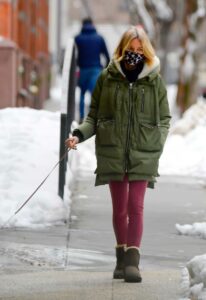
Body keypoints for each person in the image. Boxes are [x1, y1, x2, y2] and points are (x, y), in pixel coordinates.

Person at [66, 25, 171, 283]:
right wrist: (78, 134)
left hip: (143, 153)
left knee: (136, 206)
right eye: (130, 50)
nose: (134, 54)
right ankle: (121, 257)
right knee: (119, 210)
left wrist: (157, 141)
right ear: (122, 50)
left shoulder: (154, 80)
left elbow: (165, 118)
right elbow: (93, 116)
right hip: (113, 152)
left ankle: (133, 262)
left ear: (145, 51)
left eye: (139, 50)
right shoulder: (107, 78)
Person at [75, 17, 110, 123]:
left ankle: (81, 116)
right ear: (92, 24)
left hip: (83, 69)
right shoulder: (99, 38)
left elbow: (74, 55)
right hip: (96, 69)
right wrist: (106, 68)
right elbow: (106, 55)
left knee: (82, 93)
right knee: (94, 94)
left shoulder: (78, 38)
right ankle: (91, 118)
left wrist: (77, 64)